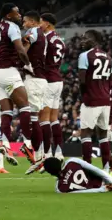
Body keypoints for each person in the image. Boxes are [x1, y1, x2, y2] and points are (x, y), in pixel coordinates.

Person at [0, 3, 33, 167]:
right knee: (25, 107)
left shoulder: (0, 26)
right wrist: (28, 65)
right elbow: (20, 51)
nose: (20, 14)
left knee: (7, 112)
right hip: (8, 72)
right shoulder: (12, 26)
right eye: (16, 12)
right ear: (8, 15)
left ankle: (5, 145)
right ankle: (27, 144)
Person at [78, 30, 112, 168]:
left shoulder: (84, 56)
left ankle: (87, 169)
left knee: (85, 134)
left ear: (93, 40)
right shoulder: (109, 57)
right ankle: (106, 169)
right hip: (106, 100)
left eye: (85, 39)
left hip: (91, 99)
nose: (82, 41)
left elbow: (82, 81)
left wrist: (84, 96)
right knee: (103, 135)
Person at [22, 11, 48, 174]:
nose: (23, 24)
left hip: (34, 79)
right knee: (33, 117)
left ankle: (39, 158)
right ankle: (40, 156)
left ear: (32, 22)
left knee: (32, 117)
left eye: (25, 21)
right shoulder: (42, 34)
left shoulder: (33, 32)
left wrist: (21, 60)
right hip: (39, 79)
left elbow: (24, 46)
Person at [39, 13, 66, 161]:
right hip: (58, 80)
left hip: (48, 81)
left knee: (44, 118)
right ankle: (60, 152)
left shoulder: (45, 39)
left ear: (48, 24)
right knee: (54, 118)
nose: (39, 26)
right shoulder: (61, 41)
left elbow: (41, 59)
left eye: (41, 23)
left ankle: (48, 153)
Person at [42, 157, 112, 193]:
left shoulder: (59, 188)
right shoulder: (71, 162)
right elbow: (92, 168)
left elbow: (81, 192)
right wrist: (107, 177)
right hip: (100, 180)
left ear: (51, 173)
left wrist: (101, 189)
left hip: (97, 187)